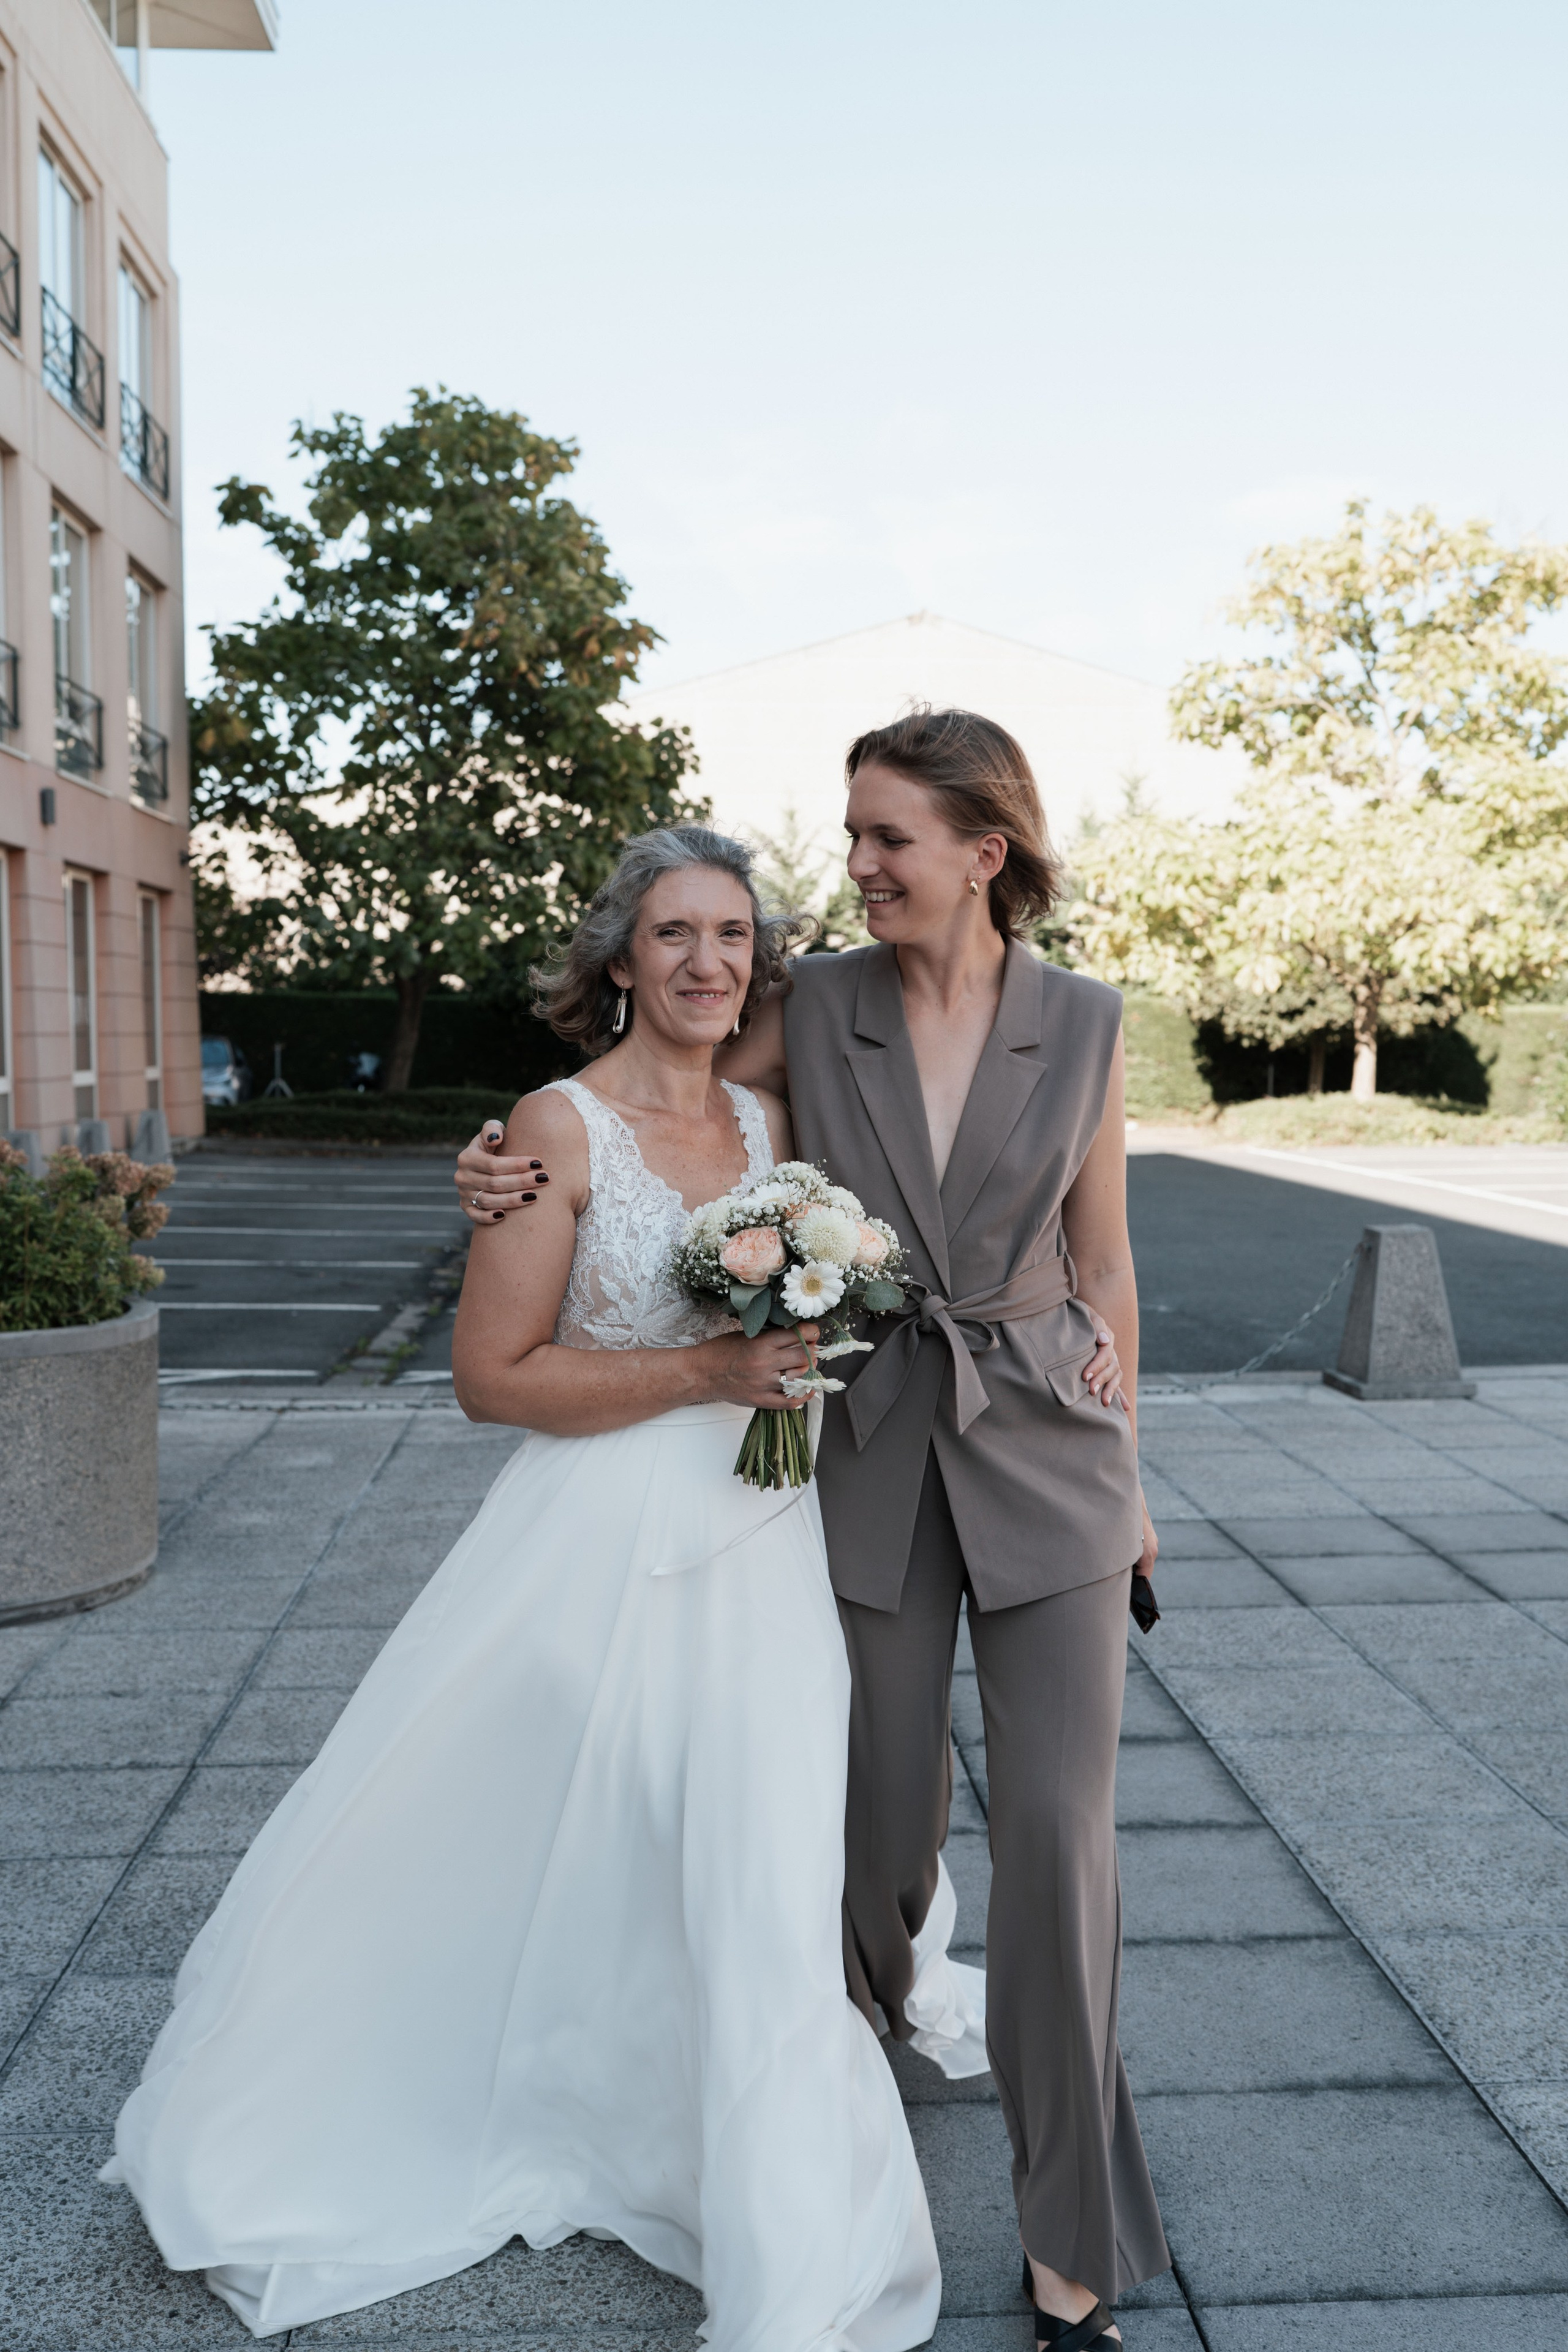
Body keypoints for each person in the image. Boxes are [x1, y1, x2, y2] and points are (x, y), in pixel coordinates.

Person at [104, 826, 941, 2351]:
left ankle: (760, 2190)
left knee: (754, 1869)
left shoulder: (778, 1118)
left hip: (771, 1549)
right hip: (603, 1539)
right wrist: (709, 1367)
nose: (706, 962)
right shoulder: (551, 1129)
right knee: (554, 1843)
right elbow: (490, 1380)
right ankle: (536, 2103)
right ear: (617, 956)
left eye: (733, 935)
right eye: (673, 934)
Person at [456, 709, 1171, 2350]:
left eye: (885, 840)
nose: (853, 868)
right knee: (878, 1836)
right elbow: (654, 1094)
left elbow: (1107, 1259)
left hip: (1052, 1450)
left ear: (983, 852)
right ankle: (832, 2125)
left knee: (1064, 1844)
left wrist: (1132, 1482)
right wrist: (494, 1167)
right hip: (866, 1457)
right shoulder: (817, 1005)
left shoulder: (1087, 1022)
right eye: (851, 838)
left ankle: (1077, 2247)